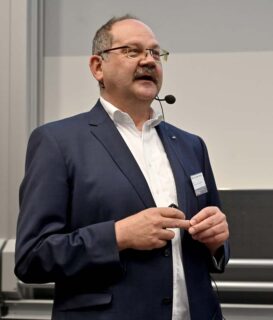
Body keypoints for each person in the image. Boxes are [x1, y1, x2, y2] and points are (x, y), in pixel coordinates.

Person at [15, 15, 229, 320]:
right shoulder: (57, 142)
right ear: (97, 67)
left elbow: (215, 248)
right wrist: (118, 235)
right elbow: (32, 257)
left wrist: (217, 242)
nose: (149, 61)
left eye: (156, 53)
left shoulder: (191, 145)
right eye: (132, 51)